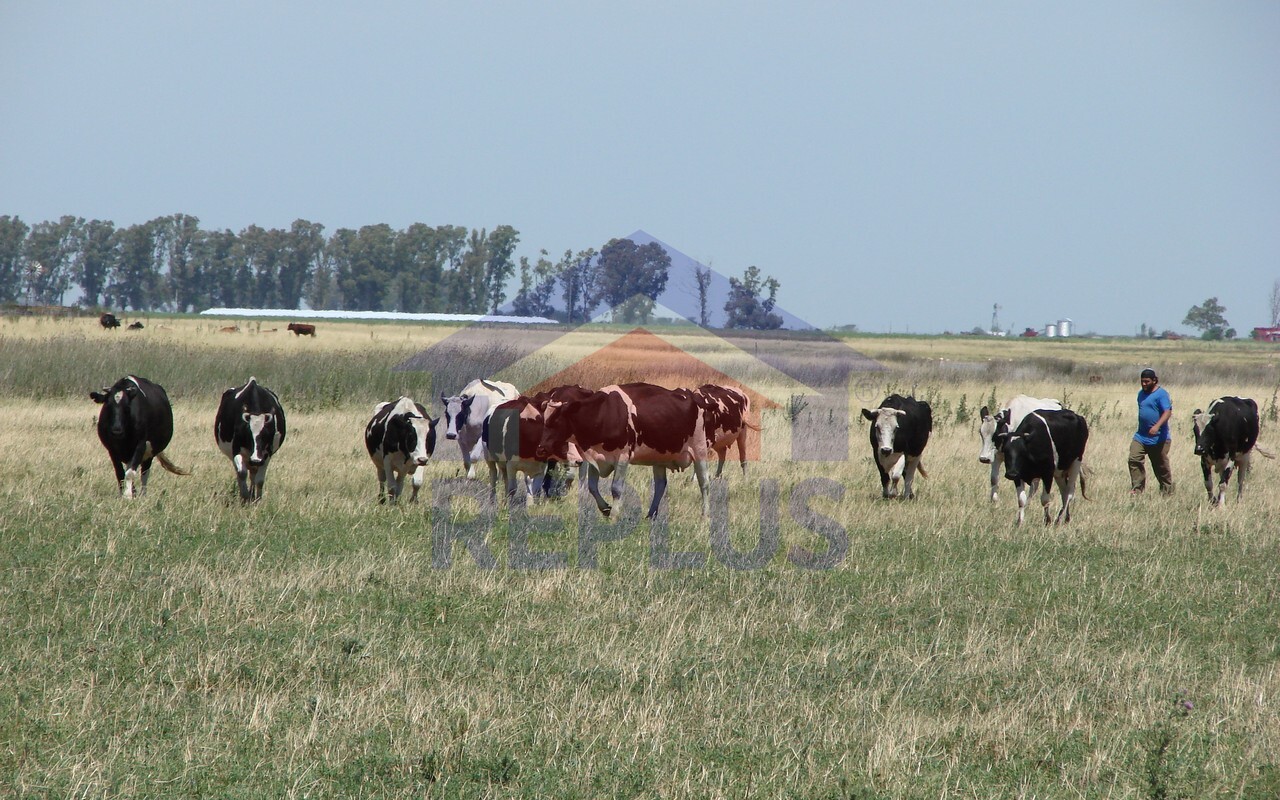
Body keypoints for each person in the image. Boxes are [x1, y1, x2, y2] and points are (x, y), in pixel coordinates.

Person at [1129, 368, 1173, 494]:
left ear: (1154, 380)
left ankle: (1167, 491)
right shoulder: (1140, 394)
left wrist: (1157, 426)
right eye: (1142, 381)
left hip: (1159, 438)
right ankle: (1137, 489)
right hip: (1141, 436)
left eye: (1147, 381)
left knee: (1160, 466)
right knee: (1134, 459)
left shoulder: (1161, 394)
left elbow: (1167, 412)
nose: (1144, 384)